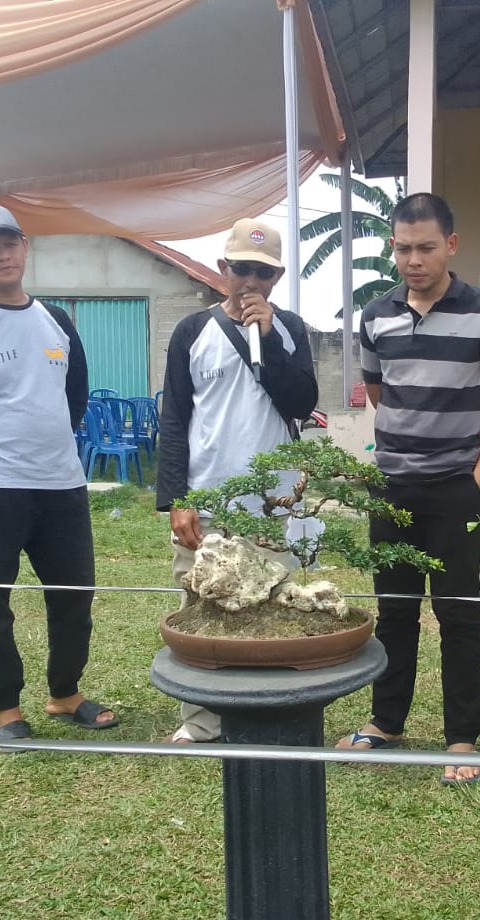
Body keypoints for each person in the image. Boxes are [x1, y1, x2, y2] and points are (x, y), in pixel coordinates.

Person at [337, 193, 480, 786]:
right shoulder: (375, 315)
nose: (413, 259)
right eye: (403, 248)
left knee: (458, 614)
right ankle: (386, 722)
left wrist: (477, 480)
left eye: (426, 247)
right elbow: (380, 392)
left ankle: (461, 738)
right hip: (391, 489)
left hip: (456, 491)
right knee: (395, 613)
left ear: (451, 246)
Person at [0, 203, 117, 745]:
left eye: (11, 242)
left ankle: (65, 693)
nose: (3, 254)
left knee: (74, 595)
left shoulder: (56, 320)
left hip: (61, 487)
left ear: (25, 246)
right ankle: (7, 710)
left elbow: (74, 396)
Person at [155, 217, 318, 744]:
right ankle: (201, 719)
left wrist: (268, 337)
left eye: (264, 274)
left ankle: (273, 705)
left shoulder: (290, 329)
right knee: (202, 603)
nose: (251, 282)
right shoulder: (191, 332)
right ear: (222, 270)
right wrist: (178, 501)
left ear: (278, 278)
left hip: (276, 498)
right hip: (210, 496)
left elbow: (301, 401)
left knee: (276, 601)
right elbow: (175, 418)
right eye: (242, 270)